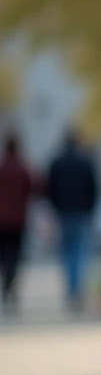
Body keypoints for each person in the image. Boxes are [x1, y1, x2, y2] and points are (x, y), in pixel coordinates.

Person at [45, 129, 99, 313]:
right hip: (81, 213)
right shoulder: (85, 162)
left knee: (67, 253)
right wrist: (91, 210)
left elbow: (50, 189)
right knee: (79, 253)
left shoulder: (56, 163)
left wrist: (55, 209)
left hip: (63, 214)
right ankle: (75, 289)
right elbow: (94, 188)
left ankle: (71, 288)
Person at [0, 133, 36, 314]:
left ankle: (7, 285)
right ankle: (10, 286)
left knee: (4, 255)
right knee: (14, 255)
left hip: (2, 220)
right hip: (18, 219)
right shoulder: (22, 168)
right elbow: (31, 189)